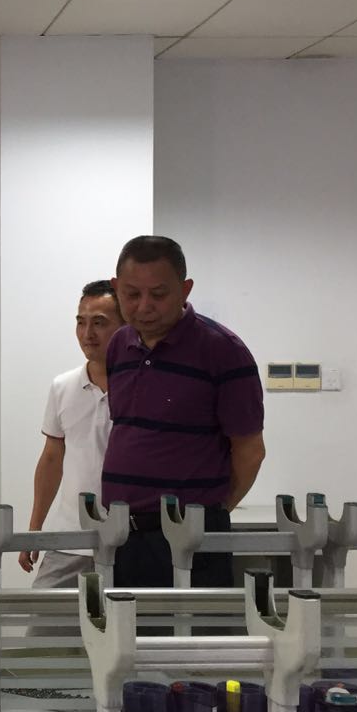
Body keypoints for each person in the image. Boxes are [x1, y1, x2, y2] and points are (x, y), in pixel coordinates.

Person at [102, 235, 266, 588]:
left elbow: (250, 451)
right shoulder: (119, 345)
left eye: (158, 294)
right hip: (122, 536)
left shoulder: (223, 351)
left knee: (197, 625)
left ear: (185, 289)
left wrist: (209, 514)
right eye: (132, 294)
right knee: (123, 625)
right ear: (116, 288)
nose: (144, 306)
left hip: (192, 536)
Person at [18, 280, 124, 587]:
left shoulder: (142, 386)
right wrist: (35, 529)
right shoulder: (63, 387)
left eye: (99, 323)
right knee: (39, 618)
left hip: (128, 541)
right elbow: (52, 459)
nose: (87, 333)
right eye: (81, 322)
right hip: (70, 539)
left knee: (127, 617)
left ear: (125, 326)